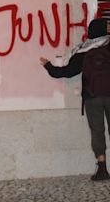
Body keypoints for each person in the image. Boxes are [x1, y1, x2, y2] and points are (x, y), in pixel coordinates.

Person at [40, 18, 110, 181]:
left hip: (93, 97)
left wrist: (48, 65)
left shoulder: (83, 50)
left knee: (97, 131)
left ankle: (102, 168)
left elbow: (66, 72)